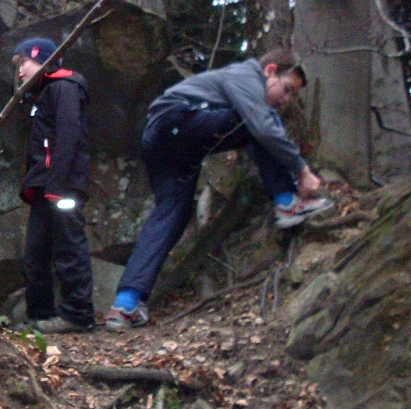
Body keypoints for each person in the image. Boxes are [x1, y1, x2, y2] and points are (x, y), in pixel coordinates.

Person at [107, 48, 332, 331]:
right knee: (259, 120)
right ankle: (286, 201)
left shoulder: (235, 81)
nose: (285, 100)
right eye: (286, 89)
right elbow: (261, 126)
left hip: (165, 141)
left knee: (172, 214)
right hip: (179, 121)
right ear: (270, 70)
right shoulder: (245, 76)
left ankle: (126, 303)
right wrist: (302, 170)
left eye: (291, 95)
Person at [13, 37, 95, 334]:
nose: (20, 70)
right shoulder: (41, 95)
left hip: (62, 186)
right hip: (44, 186)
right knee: (35, 252)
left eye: (24, 62)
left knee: (68, 246)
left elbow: (69, 135)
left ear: (42, 59)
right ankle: (40, 313)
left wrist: (57, 184)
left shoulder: (65, 88)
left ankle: (78, 313)